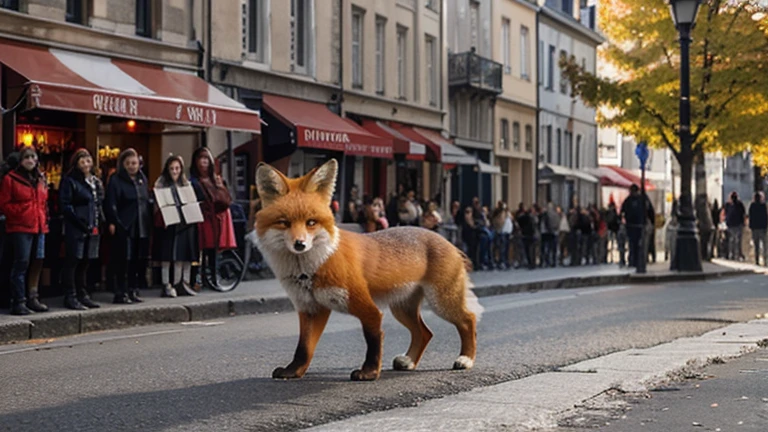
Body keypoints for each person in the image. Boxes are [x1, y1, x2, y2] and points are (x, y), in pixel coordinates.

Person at [0, 147, 49, 315]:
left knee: (37, 261)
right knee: (21, 263)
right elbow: (4, 204)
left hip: (39, 225)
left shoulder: (40, 178)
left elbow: (43, 202)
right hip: (20, 226)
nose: (30, 160)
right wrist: (21, 213)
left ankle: (33, 298)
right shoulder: (11, 179)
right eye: (26, 157)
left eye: (33, 157)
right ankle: (18, 301)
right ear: (21, 160)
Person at [104, 148, 152, 304]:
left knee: (138, 260)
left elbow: (145, 199)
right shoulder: (116, 180)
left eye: (135, 163)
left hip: (141, 224)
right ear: (123, 164)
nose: (132, 166)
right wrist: (113, 221)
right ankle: (120, 292)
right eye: (129, 163)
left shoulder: (142, 179)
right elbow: (111, 202)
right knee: (124, 260)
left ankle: (133, 290)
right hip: (124, 223)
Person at [58, 149, 103, 310]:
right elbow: (65, 205)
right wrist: (79, 221)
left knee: (86, 261)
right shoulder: (70, 181)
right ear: (76, 163)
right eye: (82, 161)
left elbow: (97, 202)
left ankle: (83, 293)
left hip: (93, 225)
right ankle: (70, 295)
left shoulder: (94, 181)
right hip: (76, 226)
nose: (86, 164)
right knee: (73, 261)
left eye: (88, 160)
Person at [153, 155, 200, 297]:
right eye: (172, 168)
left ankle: (182, 283)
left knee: (183, 255)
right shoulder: (161, 184)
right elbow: (157, 206)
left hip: (184, 223)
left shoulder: (186, 184)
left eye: (177, 168)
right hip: (168, 223)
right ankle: (166, 284)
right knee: (167, 256)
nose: (175, 171)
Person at [190, 147, 237, 286]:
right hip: (201, 217)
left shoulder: (216, 179)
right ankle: (200, 277)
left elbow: (225, 199)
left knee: (212, 250)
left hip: (215, 218)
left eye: (206, 158)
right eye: (201, 158)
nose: (203, 162)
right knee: (201, 249)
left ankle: (213, 277)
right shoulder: (193, 180)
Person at [621, 184, 646, 268]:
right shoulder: (641, 200)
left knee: (633, 244)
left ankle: (633, 260)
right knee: (637, 244)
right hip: (637, 225)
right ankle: (636, 261)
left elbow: (622, 211)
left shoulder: (628, 200)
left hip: (632, 225)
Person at [724, 191, 746, 261]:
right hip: (738, 224)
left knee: (731, 240)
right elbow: (743, 213)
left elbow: (726, 213)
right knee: (737, 240)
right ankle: (737, 255)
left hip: (730, 224)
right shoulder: (740, 204)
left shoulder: (728, 205)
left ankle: (731, 254)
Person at [748, 192, 767, 266]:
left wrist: (751, 227)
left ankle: (757, 260)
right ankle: (765, 259)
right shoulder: (763, 206)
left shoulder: (752, 206)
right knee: (764, 245)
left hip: (755, 228)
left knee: (756, 245)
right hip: (762, 227)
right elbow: (765, 216)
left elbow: (750, 217)